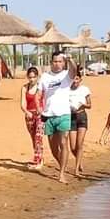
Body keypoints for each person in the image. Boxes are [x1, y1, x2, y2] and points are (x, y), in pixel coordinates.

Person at [39, 51, 80, 183]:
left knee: (63, 143)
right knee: (53, 148)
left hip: (63, 114)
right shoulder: (45, 76)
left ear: (64, 63)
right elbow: (39, 93)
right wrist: (39, 107)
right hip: (49, 115)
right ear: (51, 62)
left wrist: (71, 59)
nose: (57, 64)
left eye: (60, 61)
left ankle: (62, 173)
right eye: (55, 61)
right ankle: (63, 164)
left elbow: (74, 69)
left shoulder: (66, 75)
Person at [67, 72, 92, 177]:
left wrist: (83, 105)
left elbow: (90, 105)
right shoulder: (67, 90)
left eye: (77, 79)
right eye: (73, 79)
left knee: (79, 144)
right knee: (73, 146)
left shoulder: (85, 89)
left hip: (81, 116)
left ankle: (76, 169)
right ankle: (79, 160)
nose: (75, 81)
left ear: (80, 80)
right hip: (71, 117)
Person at [19, 67, 45, 169]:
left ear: (37, 77)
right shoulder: (25, 88)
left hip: (40, 115)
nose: (32, 79)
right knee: (33, 138)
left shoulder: (41, 87)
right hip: (29, 115)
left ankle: (38, 161)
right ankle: (39, 157)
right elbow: (22, 104)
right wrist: (26, 112)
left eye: (34, 77)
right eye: (30, 77)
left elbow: (44, 100)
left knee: (39, 137)